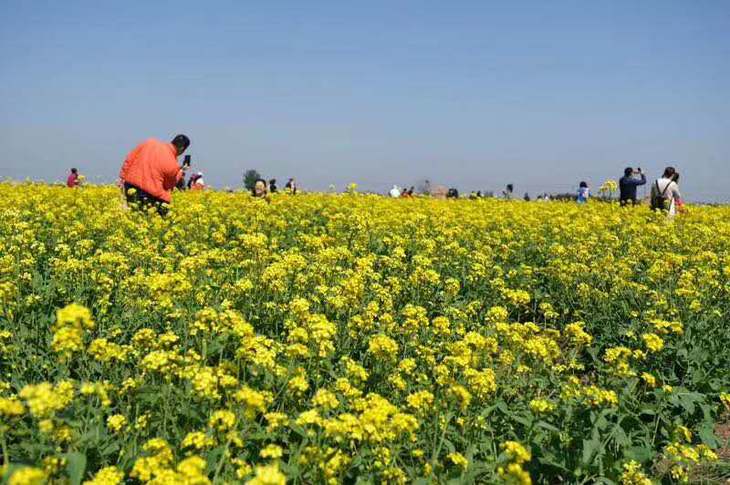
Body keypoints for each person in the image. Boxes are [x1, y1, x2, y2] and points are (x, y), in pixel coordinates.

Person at [119, 134, 190, 215]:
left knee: (132, 216)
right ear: (182, 148)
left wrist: (122, 179)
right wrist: (181, 172)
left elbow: (129, 159)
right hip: (151, 197)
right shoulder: (173, 164)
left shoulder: (149, 142)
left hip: (130, 188)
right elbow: (168, 186)